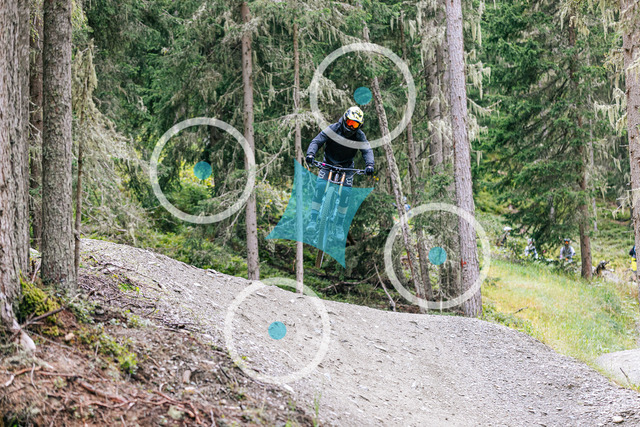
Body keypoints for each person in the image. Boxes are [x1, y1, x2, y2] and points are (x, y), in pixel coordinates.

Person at [305, 106, 375, 240]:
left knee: (346, 193)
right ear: (344, 118)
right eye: (349, 122)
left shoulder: (359, 135)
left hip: (347, 167)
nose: (351, 126)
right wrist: (310, 154)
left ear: (359, 126)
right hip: (328, 163)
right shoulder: (333, 129)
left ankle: (339, 225)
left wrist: (370, 165)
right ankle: (313, 220)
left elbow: (367, 150)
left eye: (355, 124)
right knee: (320, 186)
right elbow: (317, 141)